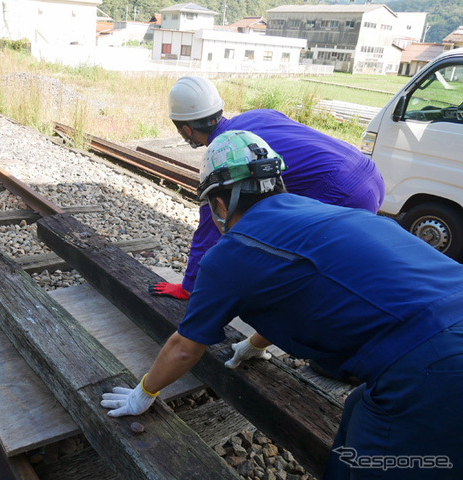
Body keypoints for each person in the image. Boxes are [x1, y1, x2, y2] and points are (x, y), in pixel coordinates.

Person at [103, 131, 463, 480]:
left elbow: (185, 348)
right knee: (356, 413)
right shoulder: (315, 210)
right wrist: (254, 344)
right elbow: (300, 287)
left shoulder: (230, 252)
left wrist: (145, 392)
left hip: (434, 362)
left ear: (220, 203)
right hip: (447, 318)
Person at [149, 76, 385, 301]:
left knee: (297, 271)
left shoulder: (225, 152)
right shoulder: (259, 115)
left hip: (342, 191)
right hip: (370, 173)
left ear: (187, 129)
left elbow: (212, 224)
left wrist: (188, 286)